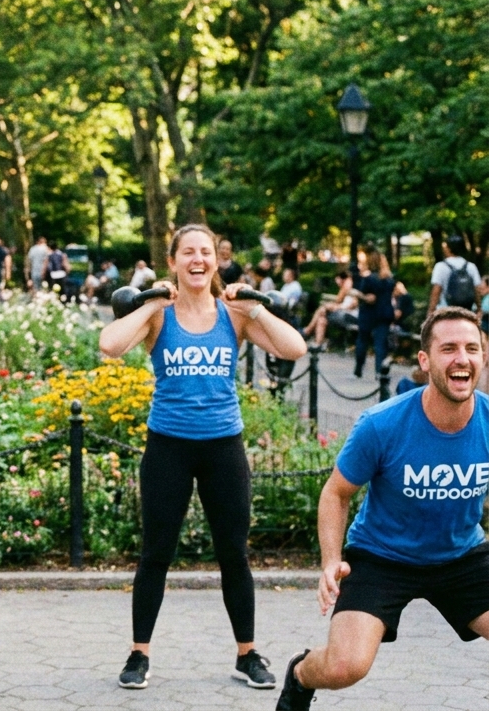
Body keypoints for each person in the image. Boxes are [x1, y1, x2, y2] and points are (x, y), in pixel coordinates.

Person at [98, 224, 307, 692]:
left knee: (234, 553)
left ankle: (247, 654)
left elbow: (294, 348)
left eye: (206, 252)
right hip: (168, 447)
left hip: (222, 449)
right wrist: (152, 301)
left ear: (217, 261)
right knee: (156, 553)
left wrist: (254, 306)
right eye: (188, 252)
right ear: (172, 261)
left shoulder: (233, 315)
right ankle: (139, 654)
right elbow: (110, 345)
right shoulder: (158, 315)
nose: (198, 259)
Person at [276, 307, 489, 710]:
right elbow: (336, 494)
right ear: (425, 362)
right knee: (346, 667)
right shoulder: (382, 424)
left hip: (462, 556)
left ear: (483, 356)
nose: (462, 358)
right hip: (382, 556)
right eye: (448, 349)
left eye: (471, 348)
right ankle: (301, 674)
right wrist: (330, 561)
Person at [352, 249, 395, 378]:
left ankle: (358, 369)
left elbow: (368, 297)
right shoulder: (389, 279)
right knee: (380, 343)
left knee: (362, 340)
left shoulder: (368, 279)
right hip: (384, 313)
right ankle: (379, 371)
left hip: (368, 314)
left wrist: (358, 294)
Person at [303, 270, 358, 348]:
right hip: (342, 314)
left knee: (323, 310)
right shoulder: (345, 288)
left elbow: (352, 305)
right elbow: (338, 301)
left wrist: (335, 307)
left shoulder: (353, 289)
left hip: (349, 316)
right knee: (322, 319)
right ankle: (317, 343)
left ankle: (308, 331)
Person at [429, 235, 483, 313]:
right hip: (467, 311)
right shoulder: (471, 266)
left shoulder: (441, 266)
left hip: (446, 310)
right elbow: (477, 289)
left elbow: (436, 290)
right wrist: (479, 308)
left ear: (448, 248)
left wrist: (431, 311)